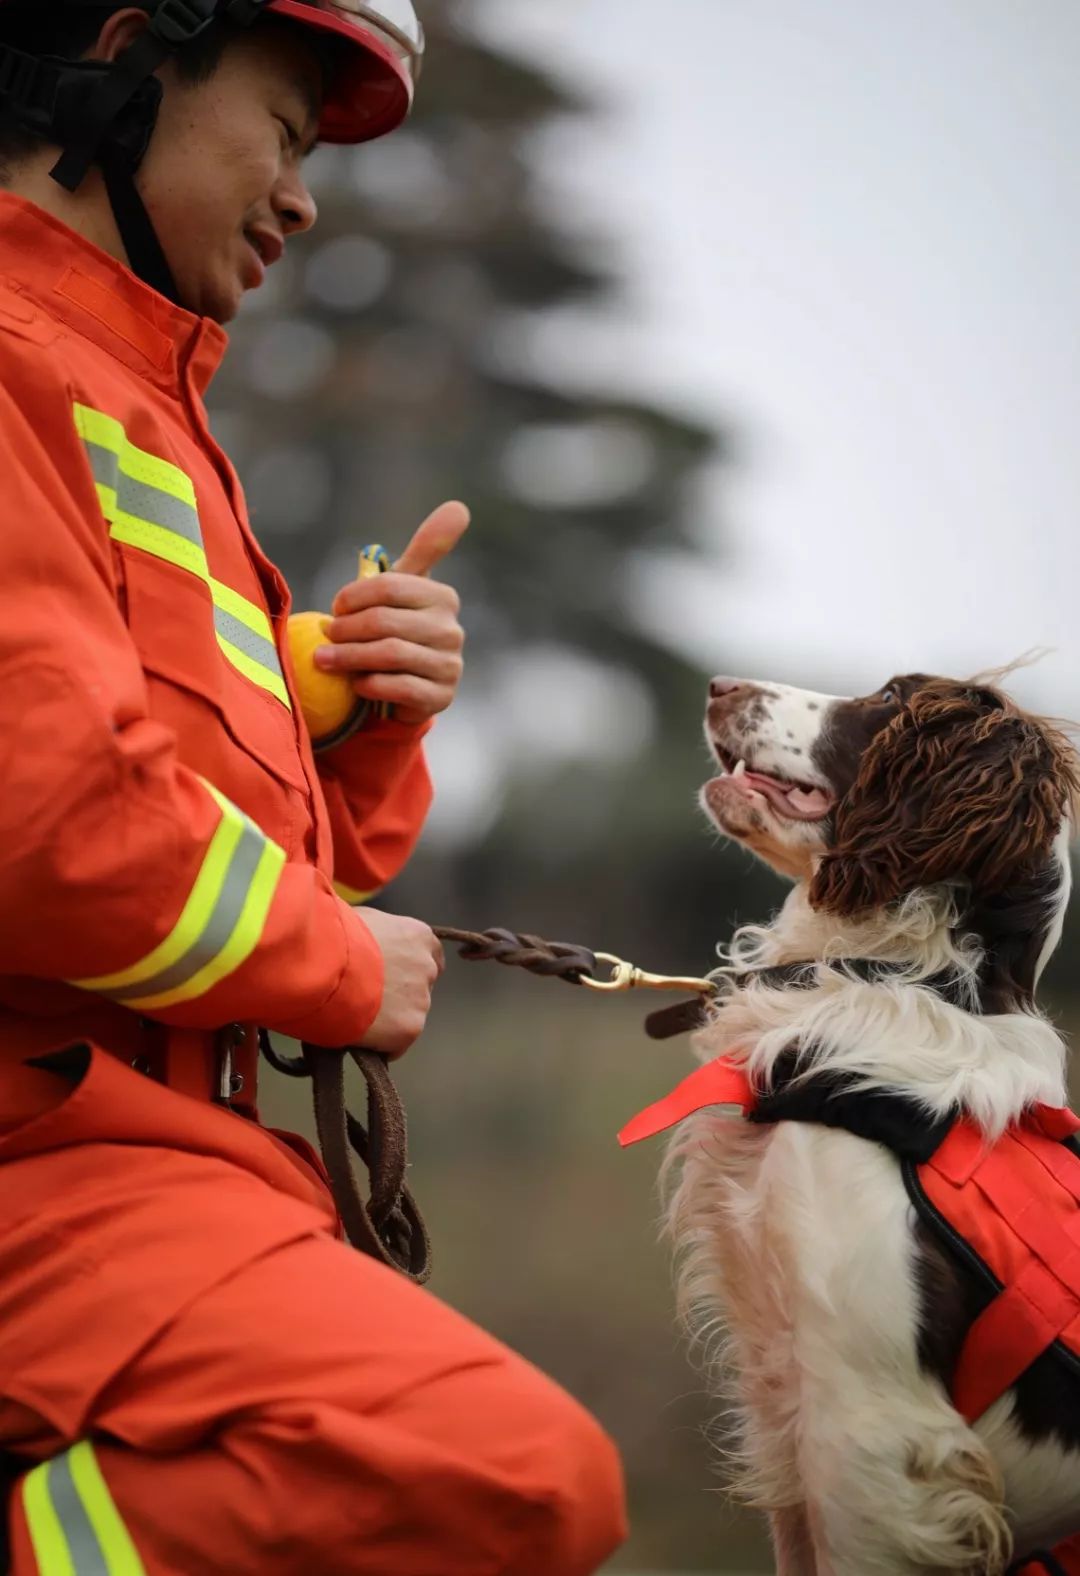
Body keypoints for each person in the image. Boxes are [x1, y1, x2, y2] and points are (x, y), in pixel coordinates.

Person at [0, 2, 627, 1570]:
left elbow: (221, 837)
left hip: (146, 1168)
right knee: (504, 1480)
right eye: (286, 130)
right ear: (133, 56)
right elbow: (47, 827)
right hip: (54, 1165)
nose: (305, 196)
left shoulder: (124, 397)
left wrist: (357, 726)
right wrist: (341, 967)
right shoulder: (19, 367)